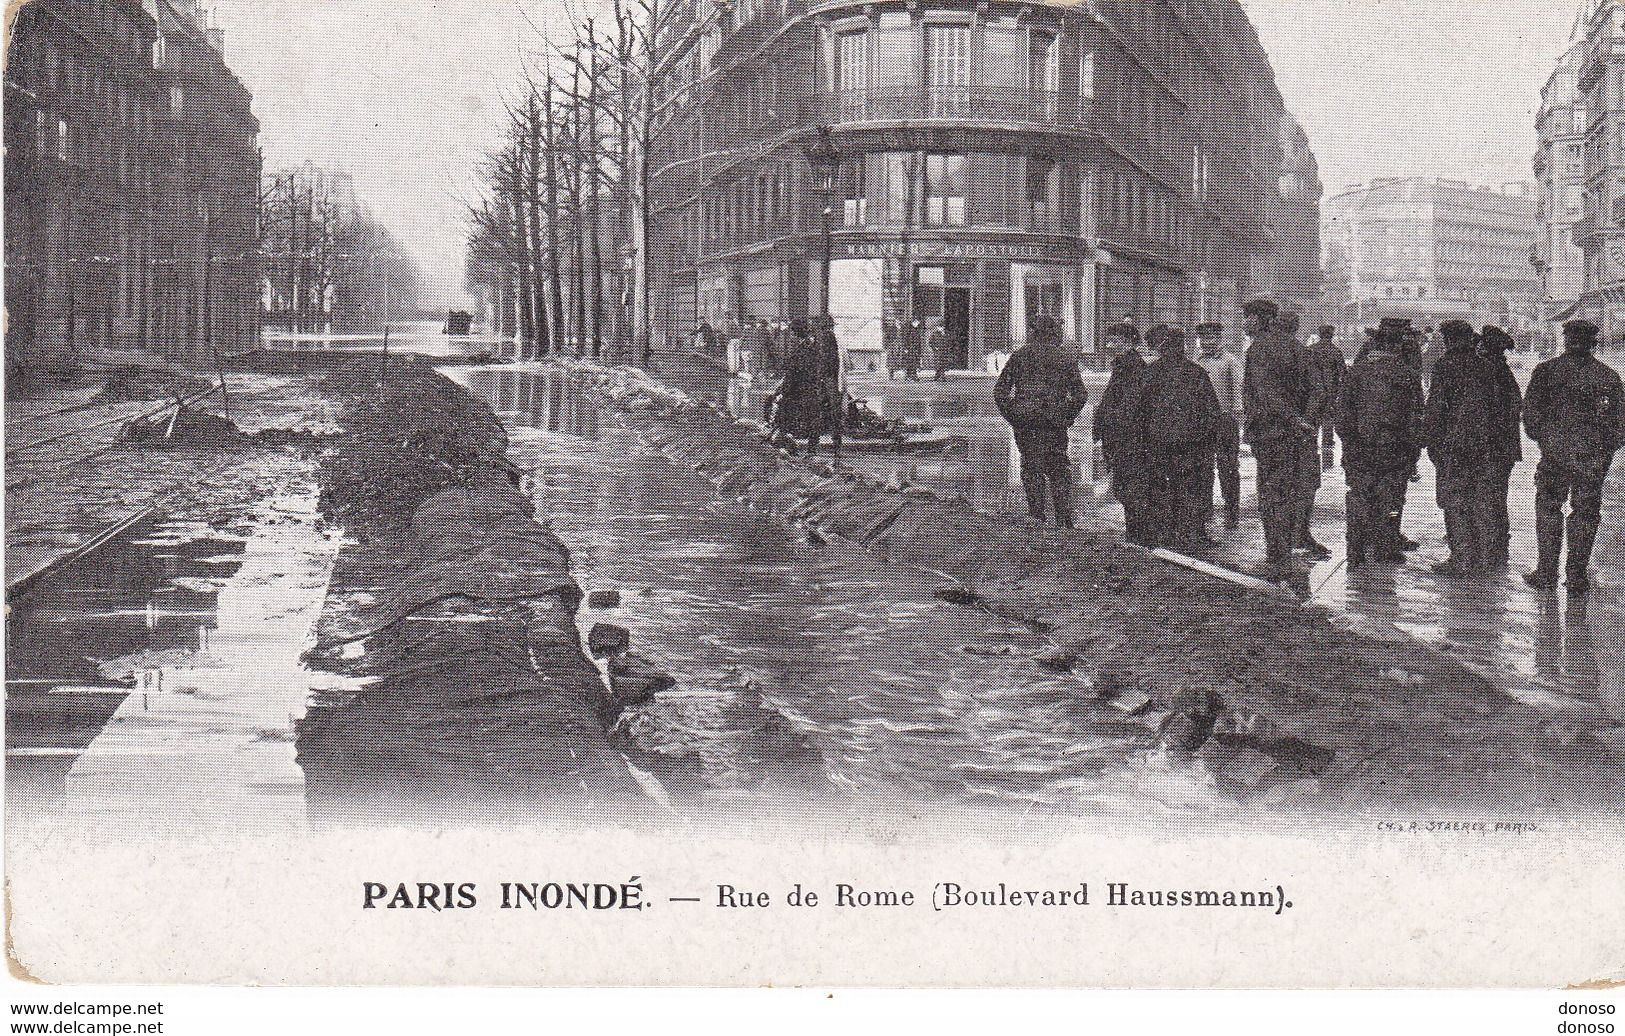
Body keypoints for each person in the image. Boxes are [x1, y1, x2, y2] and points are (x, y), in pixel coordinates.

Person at [1521, 318, 1625, 592]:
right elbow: (1620, 424)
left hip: (1555, 455)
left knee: (1548, 508)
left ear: (1566, 340)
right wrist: (1604, 450)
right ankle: (1576, 575)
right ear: (1593, 342)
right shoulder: (1608, 377)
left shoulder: (1547, 371)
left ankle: (1546, 572)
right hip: (1591, 458)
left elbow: (1530, 415)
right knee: (1586, 513)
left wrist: (1545, 440)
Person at [1241, 298, 1321, 577]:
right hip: (1295, 434)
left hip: (1271, 432)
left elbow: (1265, 393)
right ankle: (1283, 551)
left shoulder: (1258, 349)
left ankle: (1278, 556)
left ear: (1261, 319)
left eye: (1248, 317)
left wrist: (1293, 419)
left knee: (1271, 494)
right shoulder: (1298, 347)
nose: (1244, 323)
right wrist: (1306, 422)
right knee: (1288, 491)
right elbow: (1317, 390)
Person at [1336, 323, 1424, 569]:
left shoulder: (1356, 371)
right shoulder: (1408, 374)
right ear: (1397, 346)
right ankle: (1386, 548)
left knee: (1358, 496)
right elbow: (1416, 416)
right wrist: (1413, 452)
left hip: (1360, 448)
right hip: (1395, 449)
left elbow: (1342, 415)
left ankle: (1355, 550)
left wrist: (1350, 443)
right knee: (1392, 500)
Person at [993, 315, 1089, 528]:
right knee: (1059, 469)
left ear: (1034, 332)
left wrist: (1014, 416)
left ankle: (1037, 517)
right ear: (1053, 333)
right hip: (1054, 424)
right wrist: (1065, 417)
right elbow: (1080, 395)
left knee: (1031, 468)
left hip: (1026, 424)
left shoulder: (1019, 356)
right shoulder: (1065, 358)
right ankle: (1064, 520)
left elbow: (1000, 392)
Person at [1422, 320, 1502, 574]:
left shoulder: (1445, 367)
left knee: (1455, 501)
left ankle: (1461, 558)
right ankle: (1483, 558)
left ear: (1448, 340)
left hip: (1454, 446)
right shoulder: (1487, 367)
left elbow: (1435, 409)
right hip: (1486, 446)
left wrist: (1432, 443)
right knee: (1481, 500)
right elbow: (1500, 410)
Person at [1141, 325, 1223, 550]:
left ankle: (1164, 534)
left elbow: (1140, 412)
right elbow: (1212, 412)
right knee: (1192, 489)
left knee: (1161, 488)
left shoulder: (1150, 373)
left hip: (1159, 443)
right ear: (1182, 346)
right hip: (1191, 445)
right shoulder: (1196, 372)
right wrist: (1205, 440)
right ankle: (1192, 534)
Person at [1094, 320, 1155, 545]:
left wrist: (1108, 424)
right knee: (1125, 486)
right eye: (1109, 340)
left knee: (1131, 486)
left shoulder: (1134, 368)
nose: (1110, 345)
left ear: (1130, 343)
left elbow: (1130, 406)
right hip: (1121, 437)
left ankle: (1138, 534)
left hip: (1129, 439)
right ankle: (1136, 532)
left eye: (1115, 341)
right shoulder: (1122, 365)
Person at [1281, 310, 1332, 559]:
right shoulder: (1303, 353)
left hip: (1277, 432)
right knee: (1306, 483)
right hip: (1301, 432)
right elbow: (1319, 391)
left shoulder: (1262, 353)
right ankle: (1300, 534)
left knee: (1280, 486)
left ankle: (1284, 539)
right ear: (1298, 327)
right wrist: (1306, 420)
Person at [1478, 325, 1524, 566]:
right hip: (1503, 446)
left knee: (1487, 494)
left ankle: (1491, 546)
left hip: (1489, 446)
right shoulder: (1503, 371)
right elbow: (1517, 405)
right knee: (1497, 495)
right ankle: (1498, 544)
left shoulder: (1487, 371)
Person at [1195, 322, 1244, 529]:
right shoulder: (1197, 361)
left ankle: (1232, 512)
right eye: (1204, 339)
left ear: (1219, 339)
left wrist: (1236, 418)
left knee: (1228, 468)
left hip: (1225, 420)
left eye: (1211, 338)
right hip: (1202, 422)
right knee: (1203, 467)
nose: (1207, 343)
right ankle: (1206, 509)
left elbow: (1238, 391)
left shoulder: (1230, 361)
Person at [765, 318, 834, 455]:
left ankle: (802, 450)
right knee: (809, 419)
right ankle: (806, 450)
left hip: (802, 388)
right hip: (808, 387)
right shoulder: (809, 344)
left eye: (792, 332)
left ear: (797, 332)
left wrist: (783, 389)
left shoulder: (807, 347)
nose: (791, 335)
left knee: (793, 416)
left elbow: (796, 370)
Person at [1312, 326, 1346, 450]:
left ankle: (1312, 440)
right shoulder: (1336, 351)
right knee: (1328, 415)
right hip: (1330, 389)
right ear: (1331, 335)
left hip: (1313, 389)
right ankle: (1327, 441)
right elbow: (1343, 373)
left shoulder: (1311, 350)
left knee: (1313, 415)